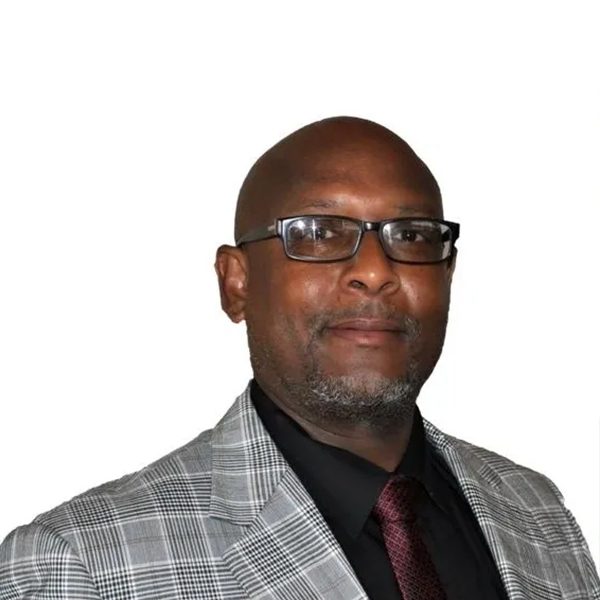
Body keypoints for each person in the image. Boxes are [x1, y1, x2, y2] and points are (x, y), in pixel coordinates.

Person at [1, 117, 598, 600]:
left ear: (447, 274)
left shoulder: (537, 511)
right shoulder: (74, 567)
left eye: (412, 235)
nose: (374, 272)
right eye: (317, 232)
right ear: (236, 284)